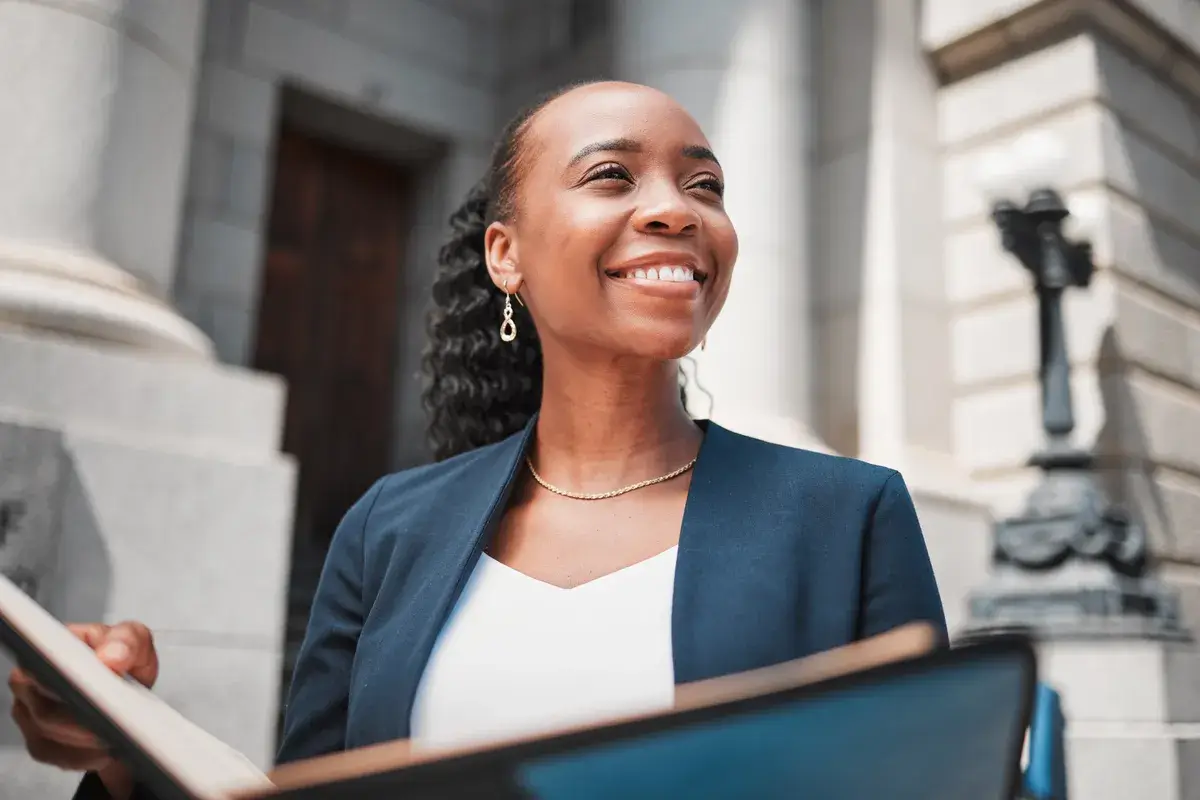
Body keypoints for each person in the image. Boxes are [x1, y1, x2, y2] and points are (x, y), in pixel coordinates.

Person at [9, 80, 947, 799]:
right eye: (611, 175)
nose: (677, 209)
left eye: (705, 184)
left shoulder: (847, 516)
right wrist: (127, 751)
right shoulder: (388, 530)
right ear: (508, 255)